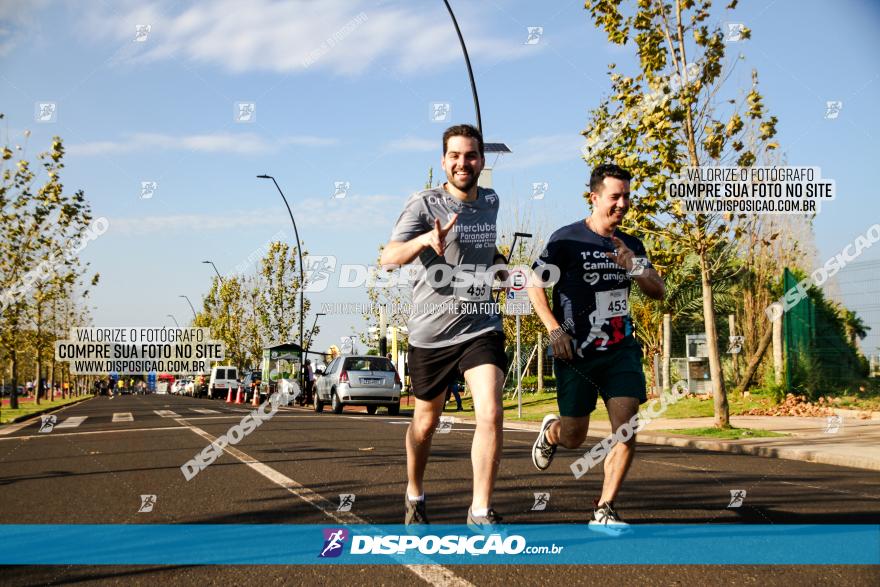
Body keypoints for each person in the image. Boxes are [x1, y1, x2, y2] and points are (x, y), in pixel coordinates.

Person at [380, 124, 508, 529]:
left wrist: (499, 265)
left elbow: (486, 247)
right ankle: (414, 493)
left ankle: (480, 511)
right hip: (431, 334)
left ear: (481, 161)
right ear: (443, 161)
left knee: (490, 409)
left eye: (470, 155)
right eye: (454, 155)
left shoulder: (491, 200)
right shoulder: (423, 205)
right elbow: (388, 256)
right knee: (425, 423)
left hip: (480, 326)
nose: (462, 163)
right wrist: (423, 243)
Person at [527, 163, 665, 533]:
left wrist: (634, 267)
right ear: (594, 197)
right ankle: (551, 432)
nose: (622, 204)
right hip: (577, 352)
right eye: (615, 196)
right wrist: (555, 330)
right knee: (575, 437)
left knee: (626, 429)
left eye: (627, 197)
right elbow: (534, 285)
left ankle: (604, 508)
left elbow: (658, 291)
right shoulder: (567, 239)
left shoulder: (632, 245)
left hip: (620, 350)